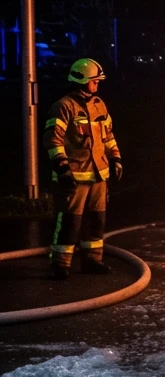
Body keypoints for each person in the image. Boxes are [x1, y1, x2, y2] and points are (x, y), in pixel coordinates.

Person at [43, 58, 122, 279]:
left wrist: (115, 158)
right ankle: (60, 263)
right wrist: (62, 168)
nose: (97, 84)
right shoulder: (64, 107)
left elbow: (108, 136)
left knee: (97, 220)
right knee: (70, 221)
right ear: (82, 80)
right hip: (73, 177)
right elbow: (53, 140)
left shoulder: (99, 105)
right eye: (94, 81)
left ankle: (93, 260)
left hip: (98, 175)